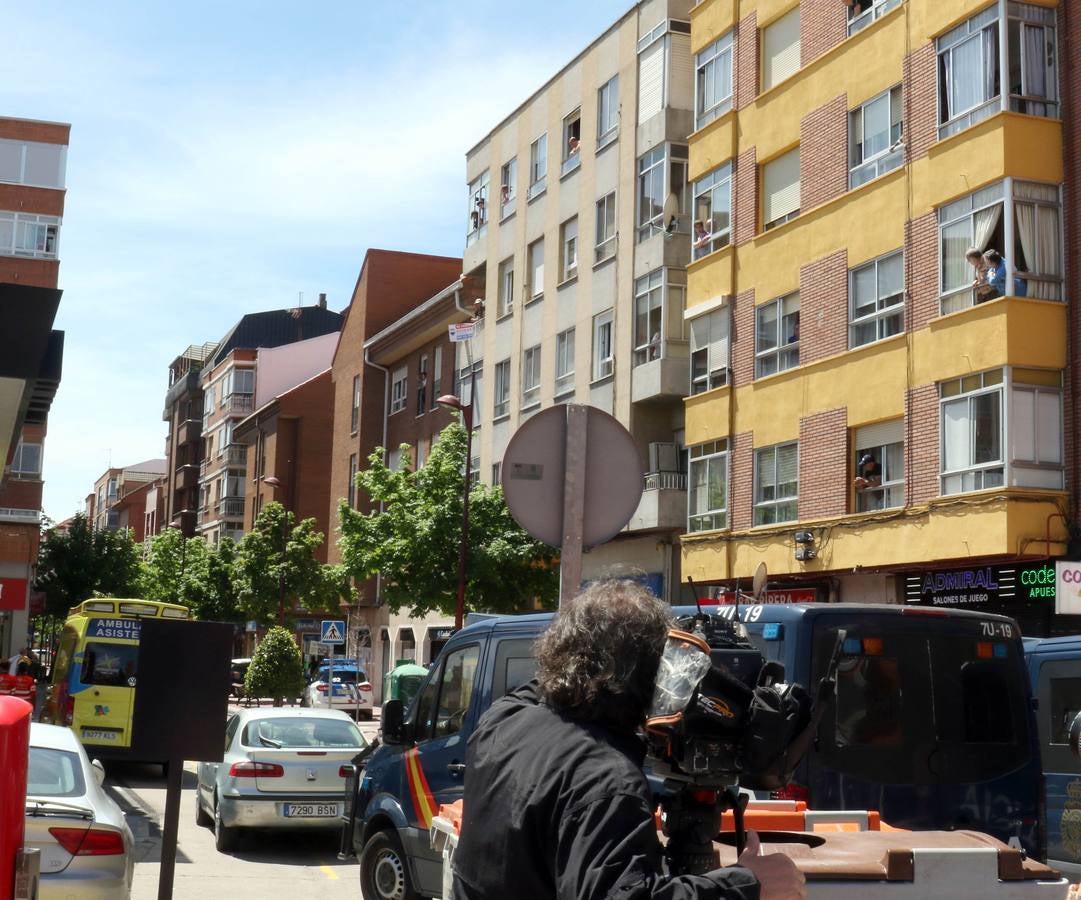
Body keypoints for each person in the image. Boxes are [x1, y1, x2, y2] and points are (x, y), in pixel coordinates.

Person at [452, 580, 806, 900]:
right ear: (650, 674)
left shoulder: (501, 720)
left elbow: (553, 686)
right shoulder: (604, 778)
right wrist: (747, 885)